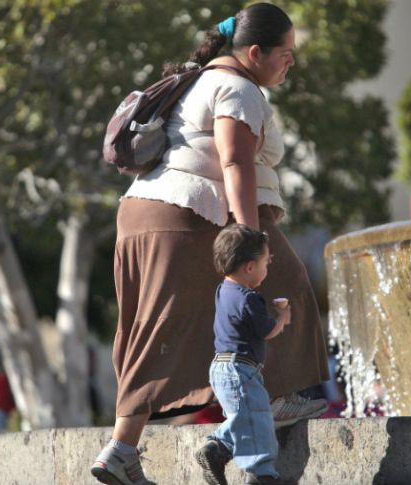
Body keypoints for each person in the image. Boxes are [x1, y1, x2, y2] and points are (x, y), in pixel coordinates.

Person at [91, 5, 330, 484]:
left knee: (154, 332)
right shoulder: (238, 89)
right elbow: (235, 163)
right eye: (286, 54)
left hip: (145, 215)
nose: (291, 63)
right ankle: (279, 399)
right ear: (256, 52)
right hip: (188, 215)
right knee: (287, 281)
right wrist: (251, 237)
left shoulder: (200, 79)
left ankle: (121, 450)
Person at [195, 224, 291, 485]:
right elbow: (267, 331)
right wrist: (282, 316)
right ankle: (262, 474)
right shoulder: (250, 298)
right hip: (241, 369)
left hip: (221, 367)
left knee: (244, 417)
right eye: (265, 263)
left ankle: (217, 449)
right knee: (258, 419)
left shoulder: (223, 290)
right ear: (249, 267)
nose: (266, 269)